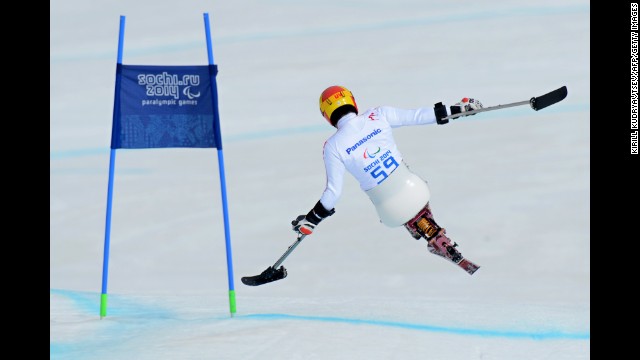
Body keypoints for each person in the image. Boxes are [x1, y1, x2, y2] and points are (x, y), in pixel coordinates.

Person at [291, 85, 483, 269]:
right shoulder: (378, 115)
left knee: (398, 205)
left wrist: (311, 219)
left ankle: (429, 233)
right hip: (416, 189)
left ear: (327, 115)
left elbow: (333, 193)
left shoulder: (333, 146)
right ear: (352, 101)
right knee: (412, 193)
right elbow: (419, 116)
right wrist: (457, 109)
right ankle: (434, 234)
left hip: (389, 212)